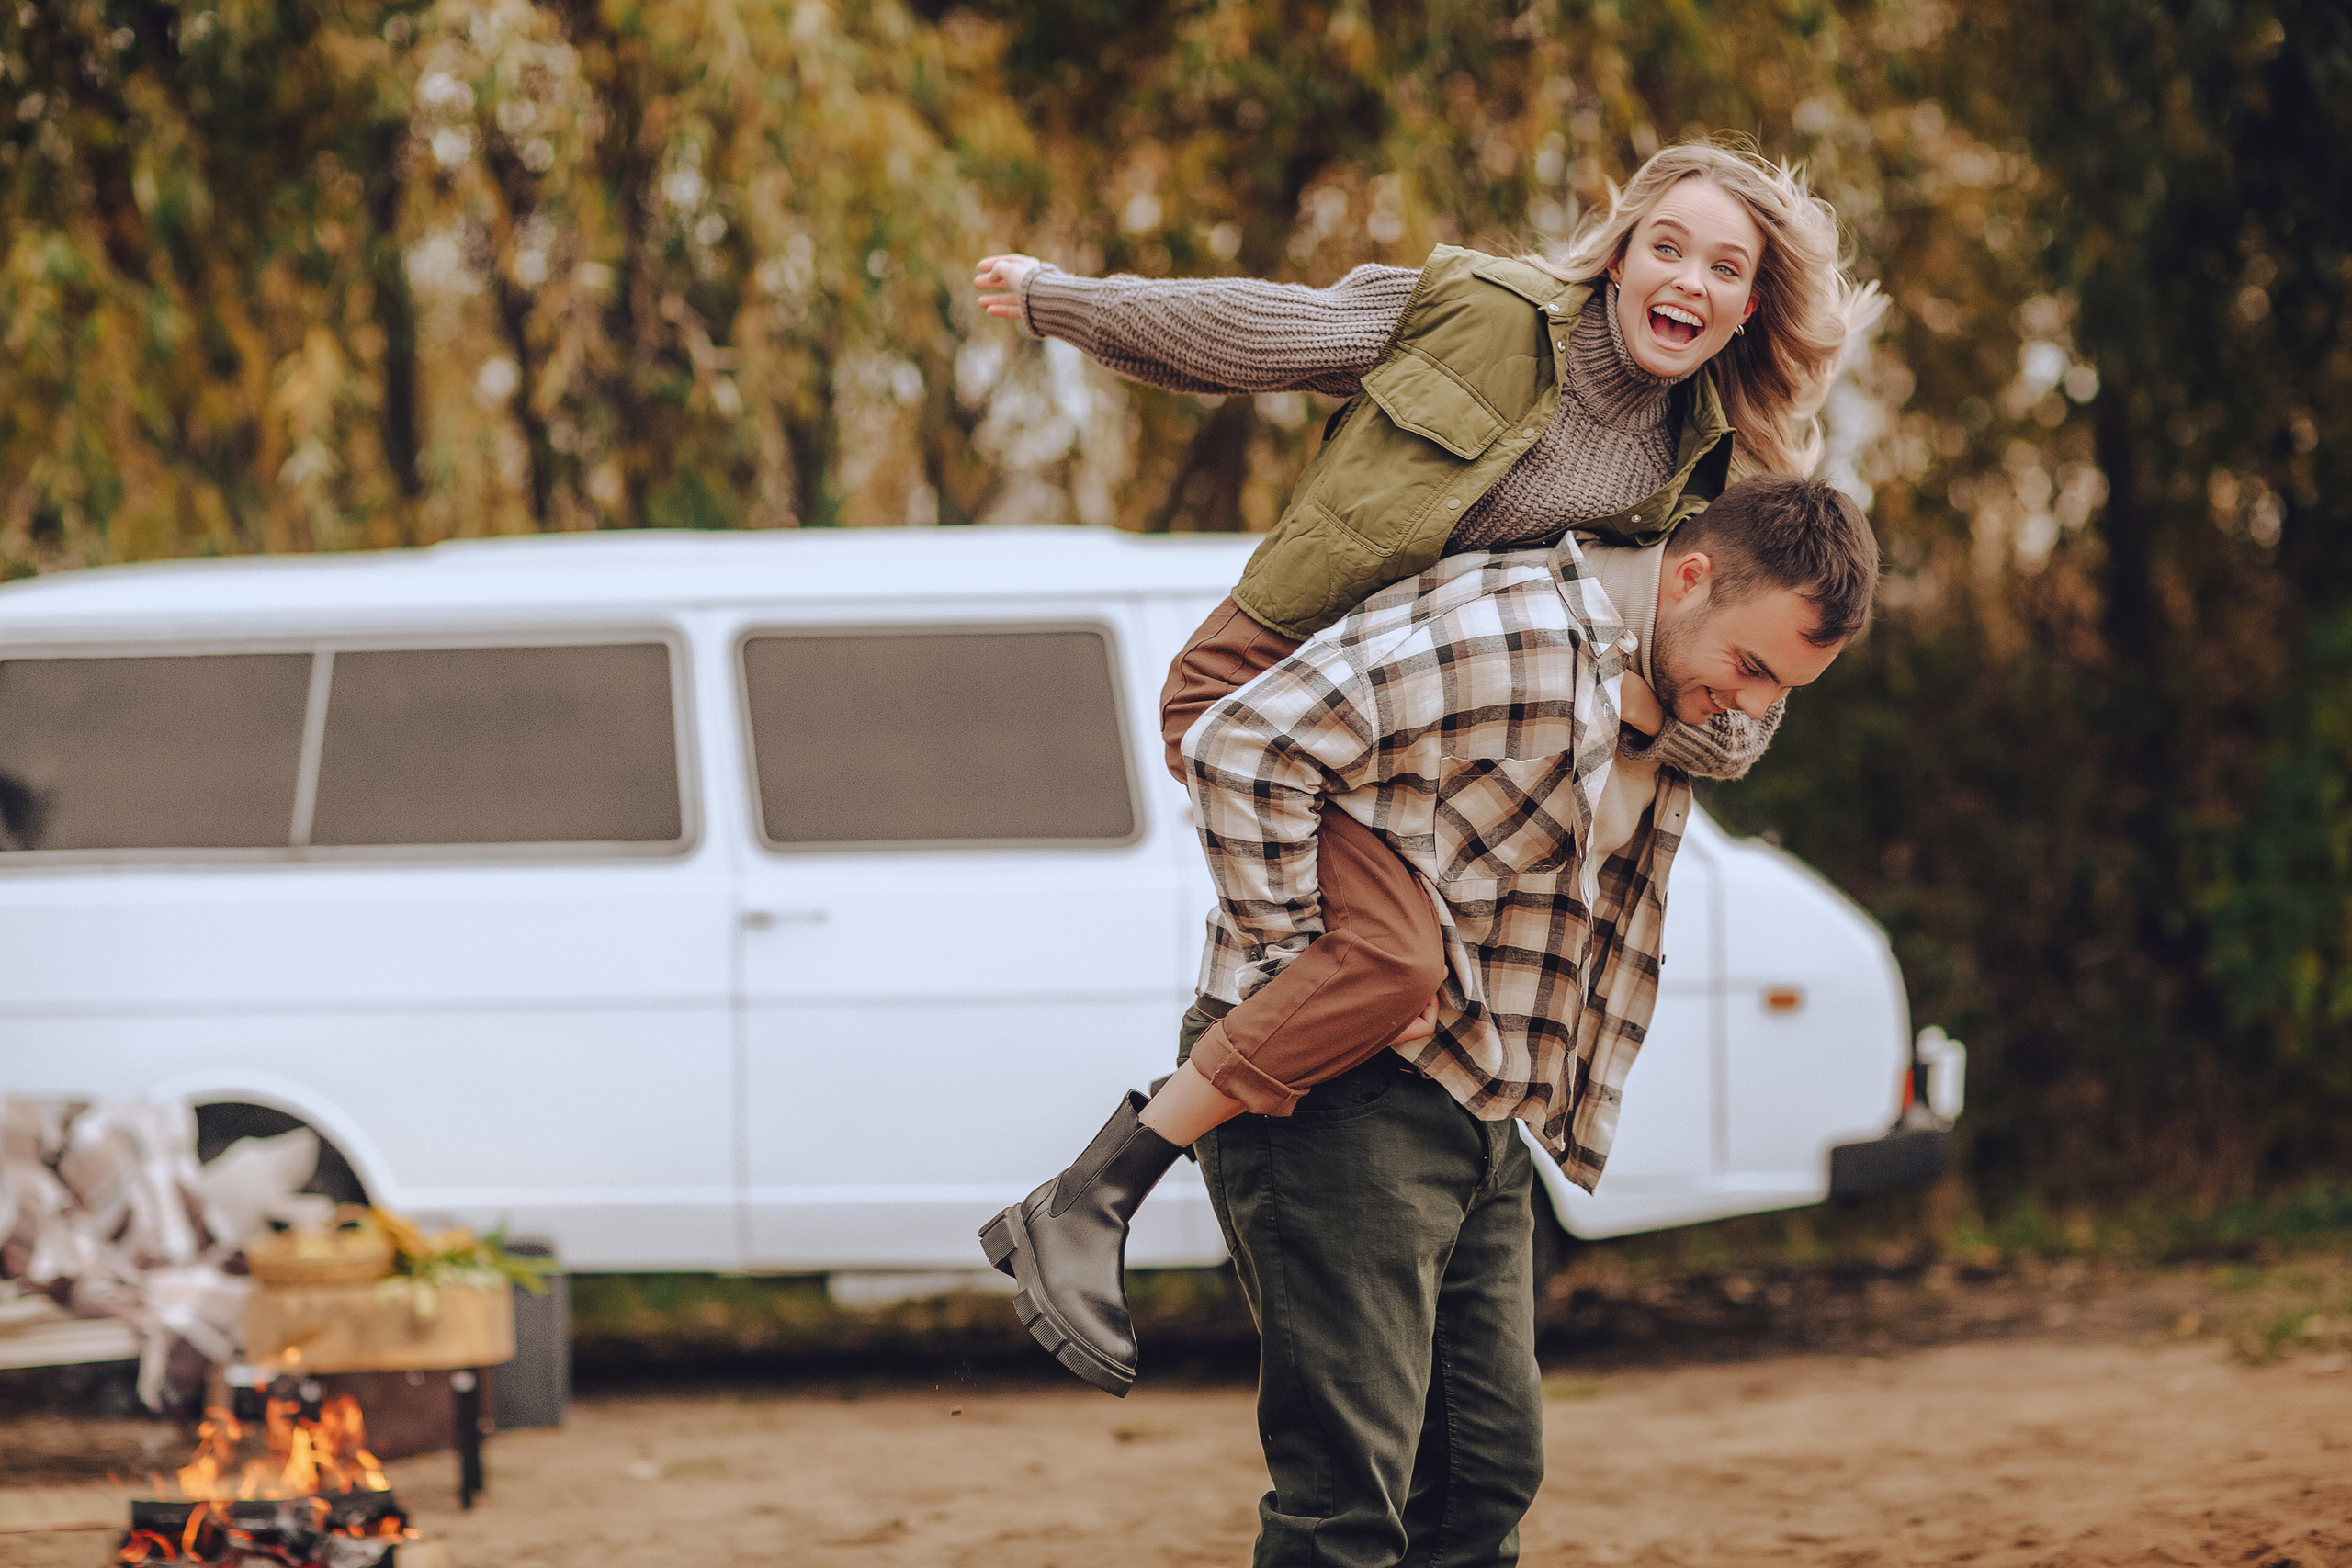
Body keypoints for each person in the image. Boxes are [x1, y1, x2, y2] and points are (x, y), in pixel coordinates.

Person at [974, 139, 1883, 1423]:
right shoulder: (1483, 312)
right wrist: (1064, 301)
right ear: (1620, 253)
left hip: (1402, 756)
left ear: (1748, 307)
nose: (1689, 280)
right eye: (1668, 246)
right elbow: (1261, 332)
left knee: (1419, 970)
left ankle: (1123, 1189)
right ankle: (1089, 1198)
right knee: (1390, 962)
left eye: (1726, 269)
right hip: (1265, 687)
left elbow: (1725, 703)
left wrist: (1682, 710)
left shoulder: (1710, 472)